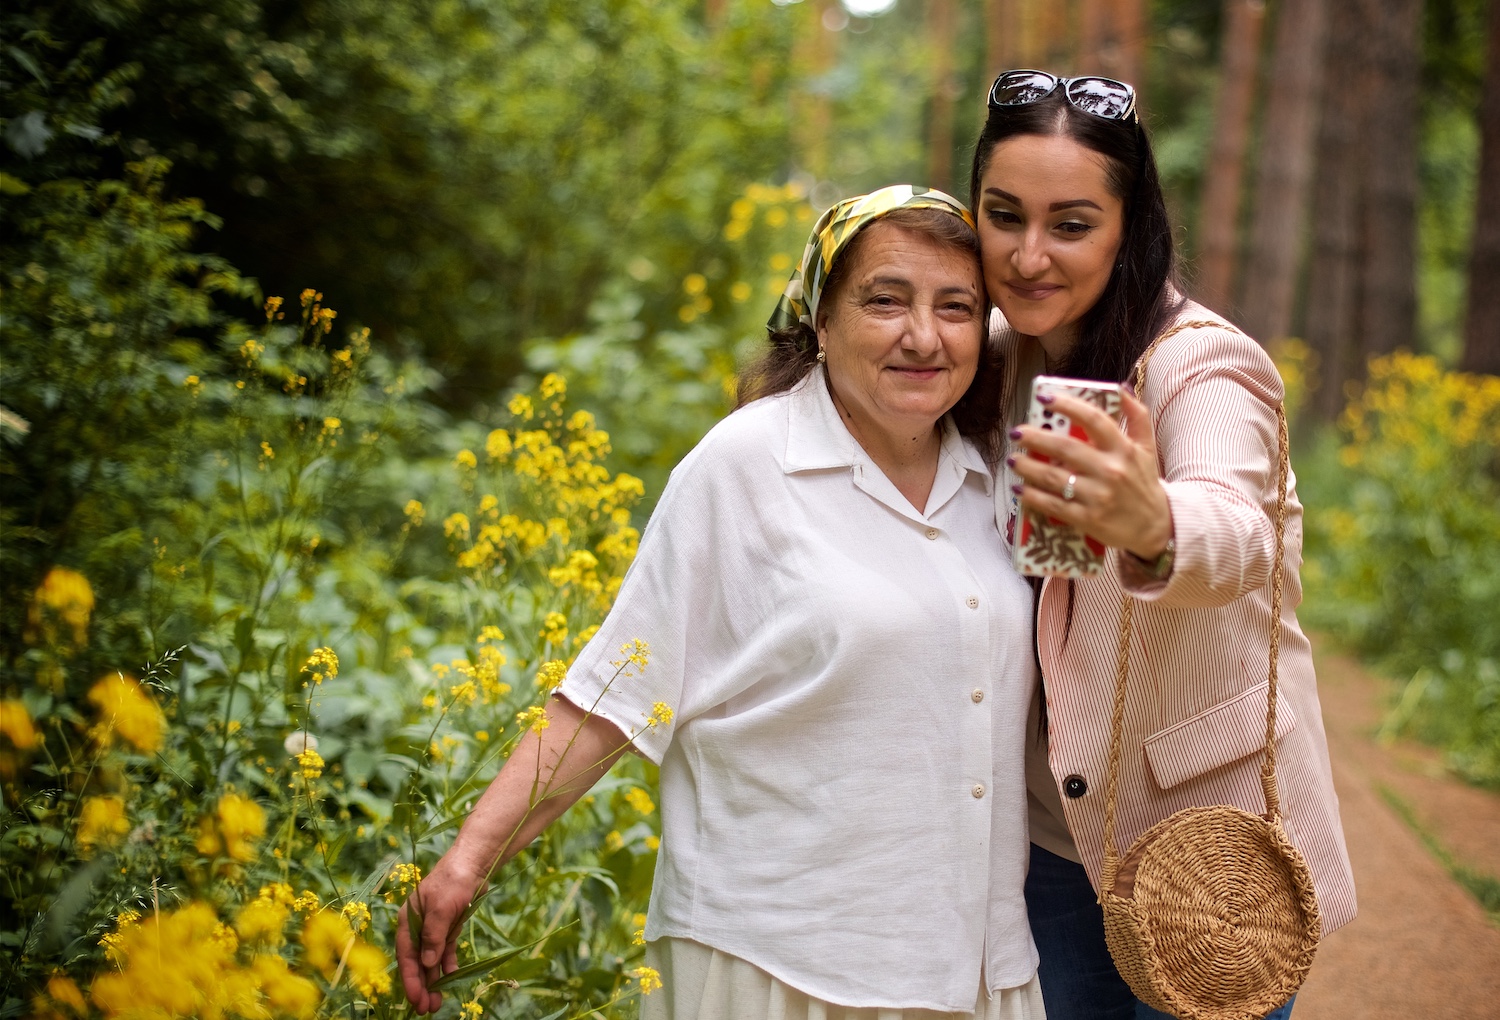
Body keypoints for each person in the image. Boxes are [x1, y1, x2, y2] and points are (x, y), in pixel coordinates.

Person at [396, 185, 1048, 1019]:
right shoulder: (745, 466)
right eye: (885, 300)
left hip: (979, 968)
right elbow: (614, 696)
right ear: (823, 317)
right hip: (778, 963)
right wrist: (466, 865)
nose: (923, 335)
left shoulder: (996, 474)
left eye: (955, 307)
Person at [967, 70, 1357, 1020]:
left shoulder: (1200, 362)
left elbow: (1235, 527)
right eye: (1003, 214)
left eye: (1071, 224)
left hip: (1208, 853)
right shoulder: (982, 353)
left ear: (1128, 227)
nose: (1027, 257)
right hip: (1051, 847)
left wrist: (1153, 525)